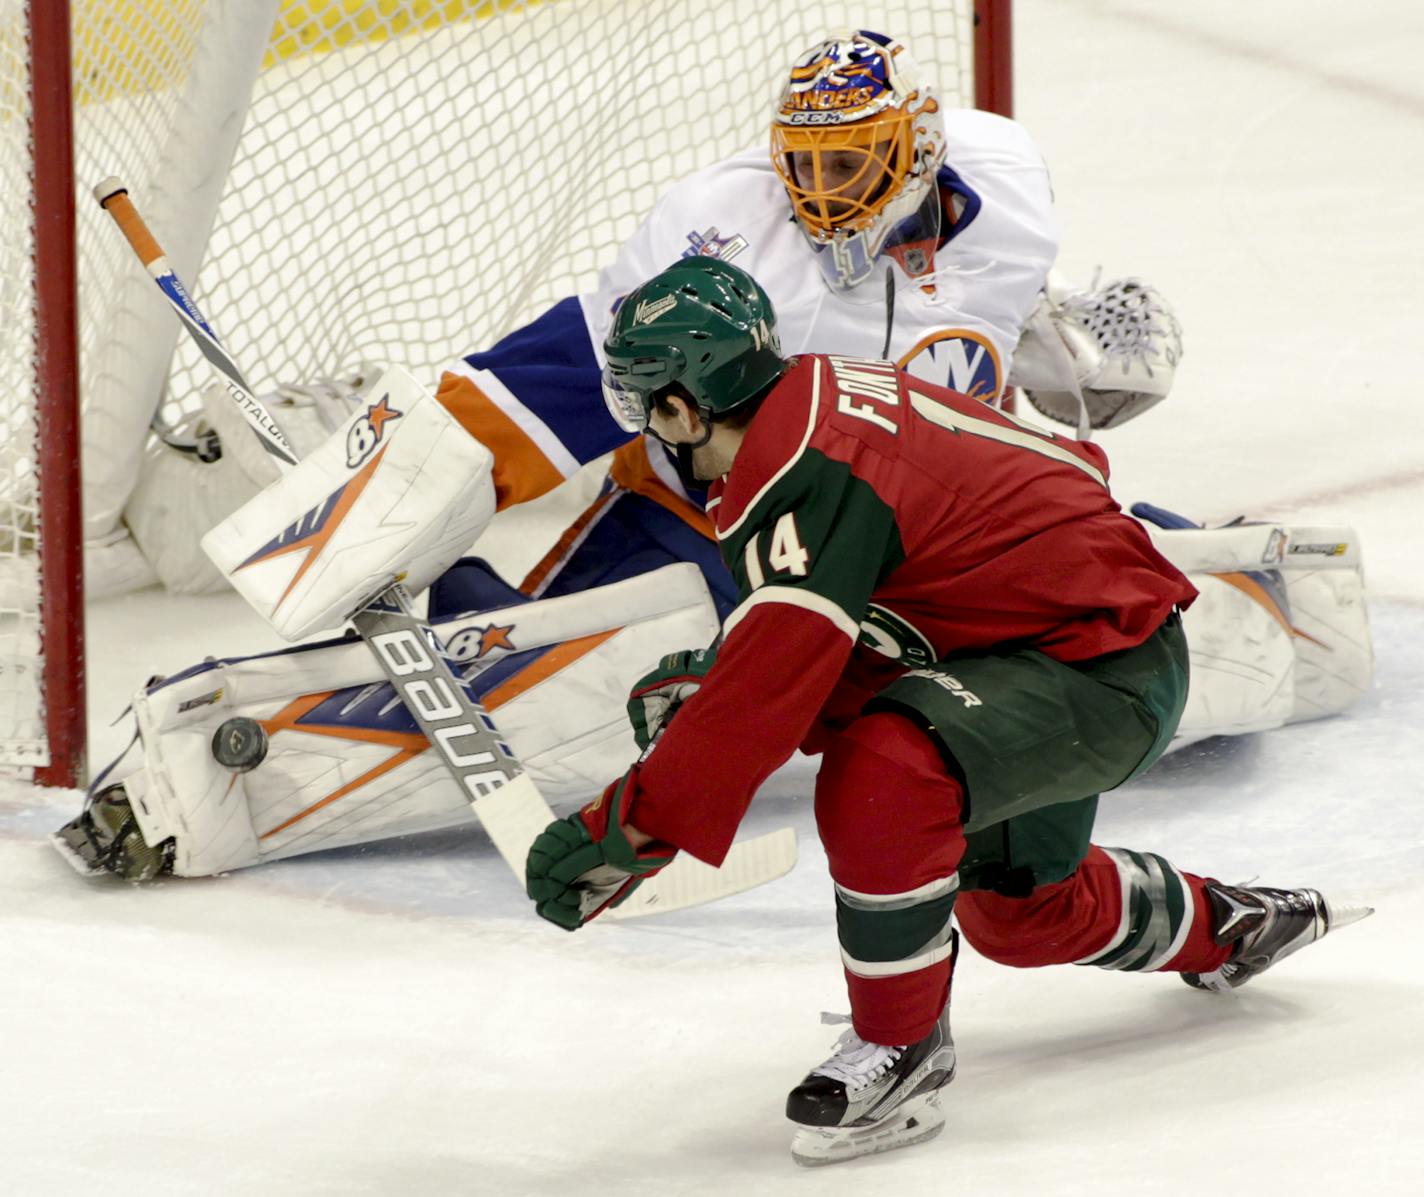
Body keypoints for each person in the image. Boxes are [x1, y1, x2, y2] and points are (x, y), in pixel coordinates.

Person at [54, 29, 1367, 882]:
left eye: (853, 163)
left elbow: (987, 318)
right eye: (806, 162)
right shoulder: (722, 237)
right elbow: (565, 376)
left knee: (1047, 581)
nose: (823, 192)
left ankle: (1197, 569)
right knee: (582, 660)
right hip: (726, 516)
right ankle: (444, 616)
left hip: (923, 528)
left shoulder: (1002, 181)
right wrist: (399, 513)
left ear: (916, 148)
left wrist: (1067, 339)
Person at [522, 256, 1370, 1167]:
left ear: (682, 408)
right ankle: (1232, 923)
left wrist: (635, 824)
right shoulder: (813, 403)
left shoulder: (795, 466)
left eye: (645, 404)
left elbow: (776, 687)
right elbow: (850, 619)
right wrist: (721, 695)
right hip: (1035, 642)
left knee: (885, 770)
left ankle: (902, 1047)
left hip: (1094, 666)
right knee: (1021, 911)